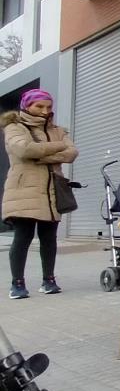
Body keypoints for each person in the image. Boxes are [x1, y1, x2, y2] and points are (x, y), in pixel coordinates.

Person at [3, 90, 78, 299]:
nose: (45, 111)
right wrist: (58, 147)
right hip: (23, 191)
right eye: (39, 106)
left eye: (48, 106)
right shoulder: (14, 127)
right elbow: (24, 150)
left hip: (52, 191)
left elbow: (72, 153)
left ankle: (49, 280)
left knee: (49, 238)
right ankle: (17, 284)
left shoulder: (56, 129)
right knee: (23, 237)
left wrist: (41, 154)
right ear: (26, 106)